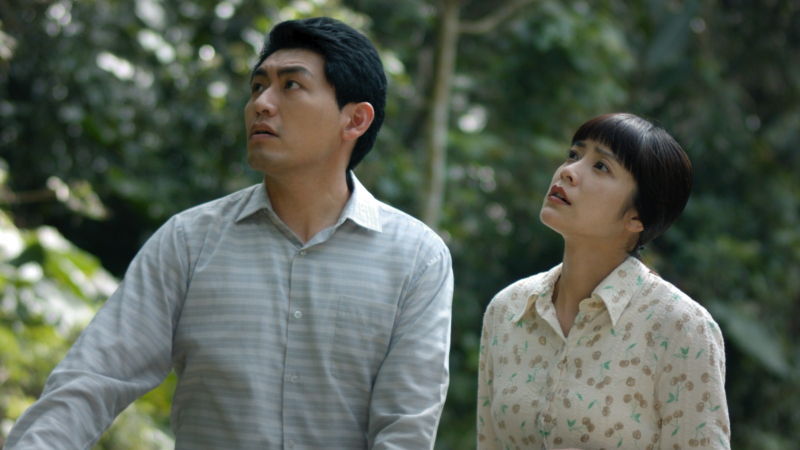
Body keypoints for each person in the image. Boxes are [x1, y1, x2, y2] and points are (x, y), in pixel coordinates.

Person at [7, 17, 453, 450]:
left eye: (290, 85)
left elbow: (405, 430)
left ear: (354, 120)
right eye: (258, 86)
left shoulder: (416, 258)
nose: (262, 103)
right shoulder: (188, 242)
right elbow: (92, 380)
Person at [476, 113, 730, 449]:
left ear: (637, 216)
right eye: (574, 154)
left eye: (601, 166)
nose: (568, 171)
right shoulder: (508, 309)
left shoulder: (682, 328)